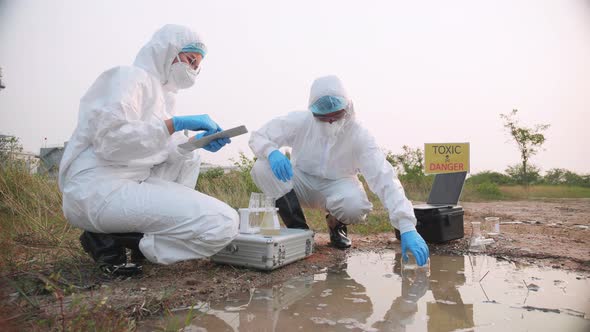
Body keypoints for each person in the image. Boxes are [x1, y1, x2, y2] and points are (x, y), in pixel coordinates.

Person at [58, 24, 239, 274]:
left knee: (190, 156)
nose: (194, 69)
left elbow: (160, 151)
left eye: (198, 65)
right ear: (169, 51)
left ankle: (125, 238)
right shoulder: (128, 78)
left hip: (131, 182)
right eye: (190, 60)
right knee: (222, 223)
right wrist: (173, 125)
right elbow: (111, 141)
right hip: (98, 189)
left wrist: (197, 142)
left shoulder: (164, 98)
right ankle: (110, 238)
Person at [248, 75, 429, 265]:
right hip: (300, 181)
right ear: (312, 111)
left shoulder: (360, 135)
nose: (330, 120)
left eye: (336, 114)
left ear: (348, 108)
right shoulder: (300, 121)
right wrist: (271, 152)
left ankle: (336, 226)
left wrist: (407, 226)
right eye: (323, 116)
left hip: (338, 185)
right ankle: (299, 231)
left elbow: (384, 178)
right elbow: (259, 136)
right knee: (261, 167)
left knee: (355, 206)